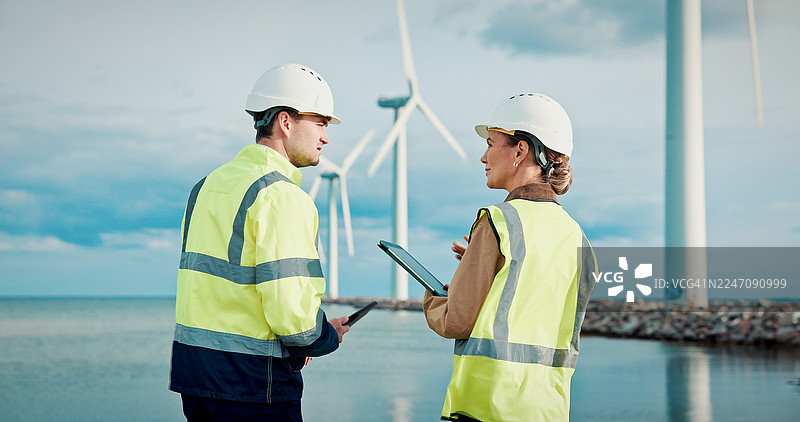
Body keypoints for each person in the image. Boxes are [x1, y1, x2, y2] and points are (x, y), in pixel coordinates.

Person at [169, 63, 350, 422]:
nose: (326, 137)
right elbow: (293, 317)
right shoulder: (281, 196)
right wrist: (324, 336)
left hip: (196, 381)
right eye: (321, 123)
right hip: (254, 389)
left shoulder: (205, 186)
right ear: (285, 121)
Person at [423, 93, 597, 422]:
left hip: (487, 407)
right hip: (548, 410)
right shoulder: (577, 237)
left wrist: (436, 295)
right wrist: (483, 269)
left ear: (520, 150)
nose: (483, 156)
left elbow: (454, 320)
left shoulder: (499, 221)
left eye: (490, 143)